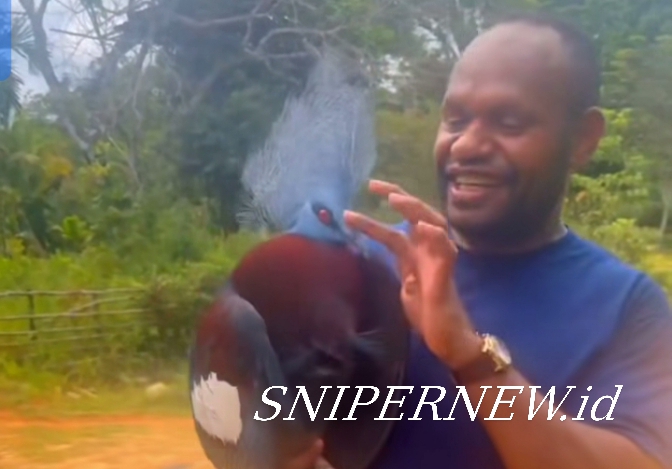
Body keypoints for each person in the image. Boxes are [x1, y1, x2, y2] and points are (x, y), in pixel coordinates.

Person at [284, 11, 672, 469]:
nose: (466, 145)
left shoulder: (628, 309)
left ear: (583, 139)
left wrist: (471, 357)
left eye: (508, 123)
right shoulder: (355, 269)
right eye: (455, 120)